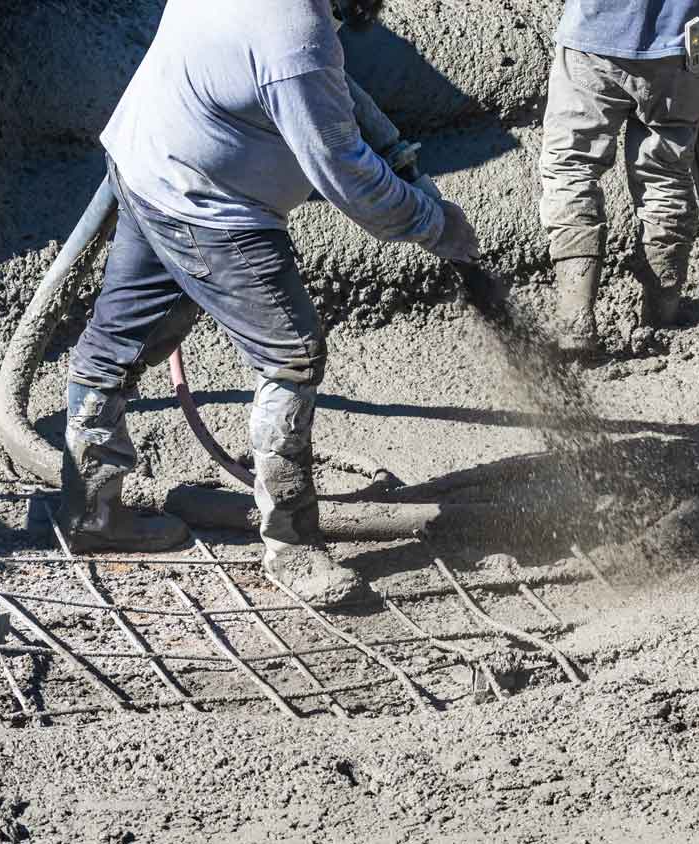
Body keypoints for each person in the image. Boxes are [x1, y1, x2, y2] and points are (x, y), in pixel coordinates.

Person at [61, 0, 480, 602]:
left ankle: (89, 516)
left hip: (148, 159)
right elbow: (348, 177)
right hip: (211, 209)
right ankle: (294, 549)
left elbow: (318, 82)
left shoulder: (295, 30)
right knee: (291, 352)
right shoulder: (294, 36)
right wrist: (435, 224)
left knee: (117, 341)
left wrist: (382, 136)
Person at [532, 0, 699, 354]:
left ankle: (575, 322)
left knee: (571, 166)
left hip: (597, 33)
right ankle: (661, 314)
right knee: (665, 175)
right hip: (687, 44)